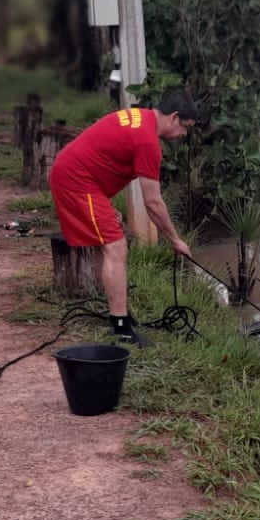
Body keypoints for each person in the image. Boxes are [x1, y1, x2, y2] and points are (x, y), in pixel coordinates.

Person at [48, 89, 200, 346]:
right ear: (174, 118)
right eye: (186, 128)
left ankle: (119, 312)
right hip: (76, 181)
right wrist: (175, 240)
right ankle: (121, 327)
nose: (184, 135)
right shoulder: (147, 142)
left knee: (108, 244)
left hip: (78, 177)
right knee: (116, 247)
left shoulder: (140, 117)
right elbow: (153, 202)